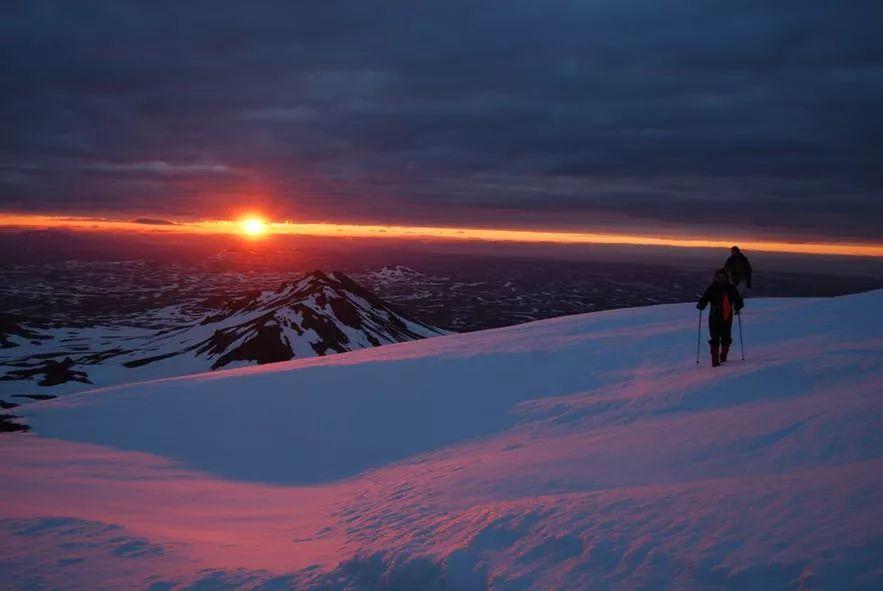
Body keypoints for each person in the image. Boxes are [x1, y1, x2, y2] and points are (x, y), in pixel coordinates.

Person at [697, 268, 744, 367]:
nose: (720, 279)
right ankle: (715, 361)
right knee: (715, 338)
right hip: (715, 317)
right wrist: (702, 303)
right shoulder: (713, 288)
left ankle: (723, 358)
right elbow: (705, 298)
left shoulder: (730, 289)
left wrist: (738, 305)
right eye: (719, 277)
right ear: (716, 278)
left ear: (726, 278)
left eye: (722, 277)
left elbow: (738, 300)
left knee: (725, 338)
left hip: (726, 317)